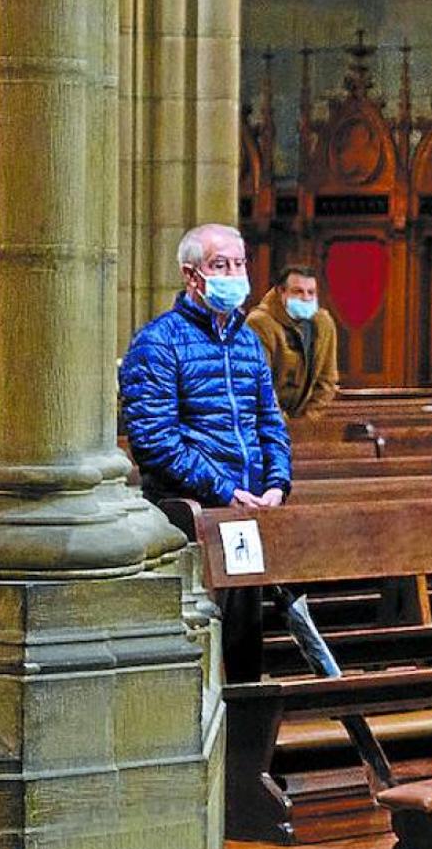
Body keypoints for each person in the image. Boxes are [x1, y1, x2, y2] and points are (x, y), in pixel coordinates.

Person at [119, 223, 339, 679]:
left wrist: (277, 483)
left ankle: (245, 740)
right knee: (199, 652)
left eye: (239, 264)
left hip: (247, 512)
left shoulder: (245, 341)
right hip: (189, 514)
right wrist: (225, 490)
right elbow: (156, 442)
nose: (234, 274)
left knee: (243, 651)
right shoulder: (158, 342)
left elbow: (270, 422)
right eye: (221, 265)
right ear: (191, 275)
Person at [246, 264, 340, 420]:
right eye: (298, 292)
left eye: (311, 293)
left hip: (305, 419)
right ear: (281, 292)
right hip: (265, 420)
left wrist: (309, 418)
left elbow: (327, 379)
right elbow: (259, 383)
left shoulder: (323, 322)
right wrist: (281, 422)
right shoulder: (259, 323)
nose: (306, 298)